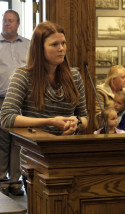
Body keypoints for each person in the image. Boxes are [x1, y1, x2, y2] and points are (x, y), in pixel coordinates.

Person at [0, 21, 88, 194]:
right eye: (54, 44)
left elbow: (84, 117)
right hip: (35, 160)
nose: (61, 48)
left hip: (67, 156)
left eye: (63, 43)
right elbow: (6, 118)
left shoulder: (75, 76)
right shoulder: (23, 75)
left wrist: (75, 123)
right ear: (39, 48)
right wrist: (50, 121)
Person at [0, 10, 30, 196]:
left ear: (18, 24)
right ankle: (2, 180)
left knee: (18, 142)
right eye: (4, 21)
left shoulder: (28, 45)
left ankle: (15, 181)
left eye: (10, 21)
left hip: (23, 100)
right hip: (2, 99)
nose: (7, 24)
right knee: (3, 141)